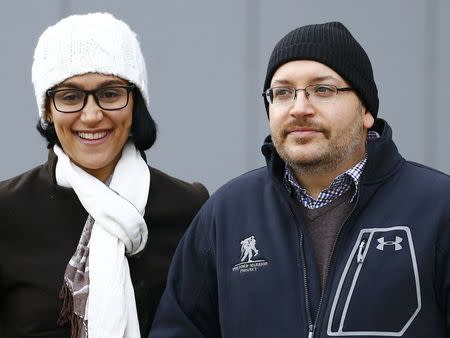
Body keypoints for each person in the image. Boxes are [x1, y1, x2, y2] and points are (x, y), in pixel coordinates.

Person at [149, 22, 450, 337]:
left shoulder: (438, 208)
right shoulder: (226, 214)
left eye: (323, 90)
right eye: (283, 93)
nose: (300, 108)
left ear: (365, 111)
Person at [0, 12, 208, 338]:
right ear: (47, 109)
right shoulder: (6, 211)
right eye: (70, 96)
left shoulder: (190, 207)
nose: (93, 115)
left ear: (135, 102)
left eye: (110, 93)